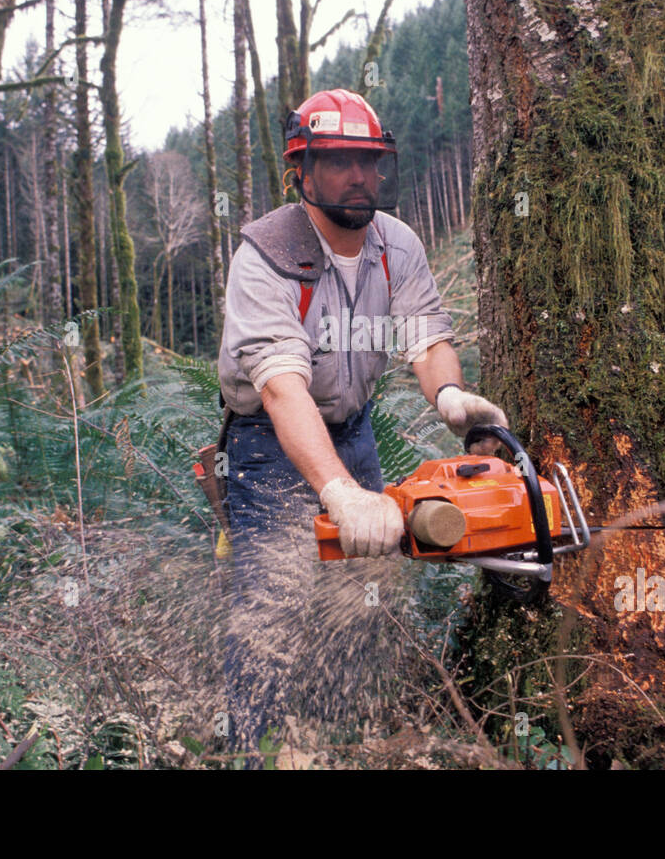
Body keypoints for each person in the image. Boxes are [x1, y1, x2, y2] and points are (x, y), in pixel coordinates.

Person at [215, 88, 508, 756]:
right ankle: (249, 747)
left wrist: (452, 399)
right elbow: (283, 387)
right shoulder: (265, 255)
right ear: (304, 170)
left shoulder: (393, 244)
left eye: (369, 162)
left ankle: (341, 728)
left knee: (367, 586)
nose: (359, 176)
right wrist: (339, 491)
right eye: (342, 161)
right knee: (276, 599)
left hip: (354, 428)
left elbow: (426, 336)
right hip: (267, 443)